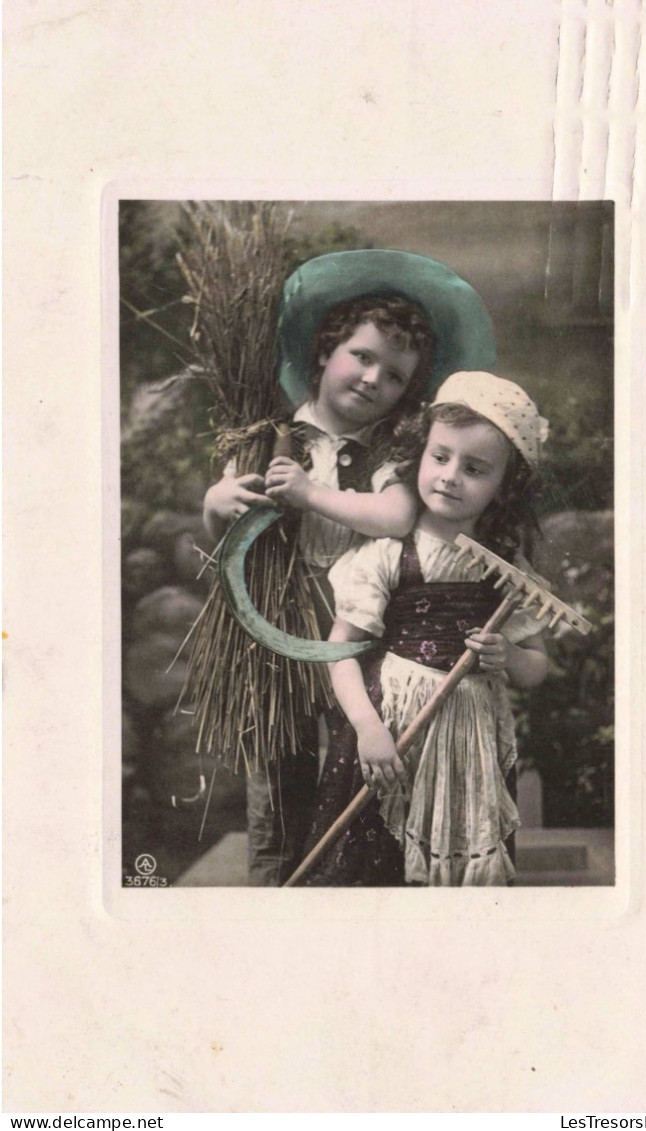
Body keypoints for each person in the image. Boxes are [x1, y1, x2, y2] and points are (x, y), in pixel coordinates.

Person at [201, 250, 498, 885]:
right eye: (361, 357)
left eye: (393, 376)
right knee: (278, 795)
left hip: (360, 635)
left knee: (346, 787)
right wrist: (215, 504)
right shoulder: (265, 436)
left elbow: (393, 517)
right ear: (325, 352)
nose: (371, 379)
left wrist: (310, 495)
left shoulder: (393, 454)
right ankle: (274, 901)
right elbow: (227, 544)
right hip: (275, 639)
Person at [301, 370, 550, 887]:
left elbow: (535, 670)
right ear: (422, 453)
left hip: (468, 745)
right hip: (389, 732)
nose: (450, 476)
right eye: (440, 457)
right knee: (373, 863)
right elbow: (339, 648)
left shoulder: (506, 565)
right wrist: (368, 729)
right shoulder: (390, 552)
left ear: (505, 485)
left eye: (475, 468)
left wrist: (508, 656)